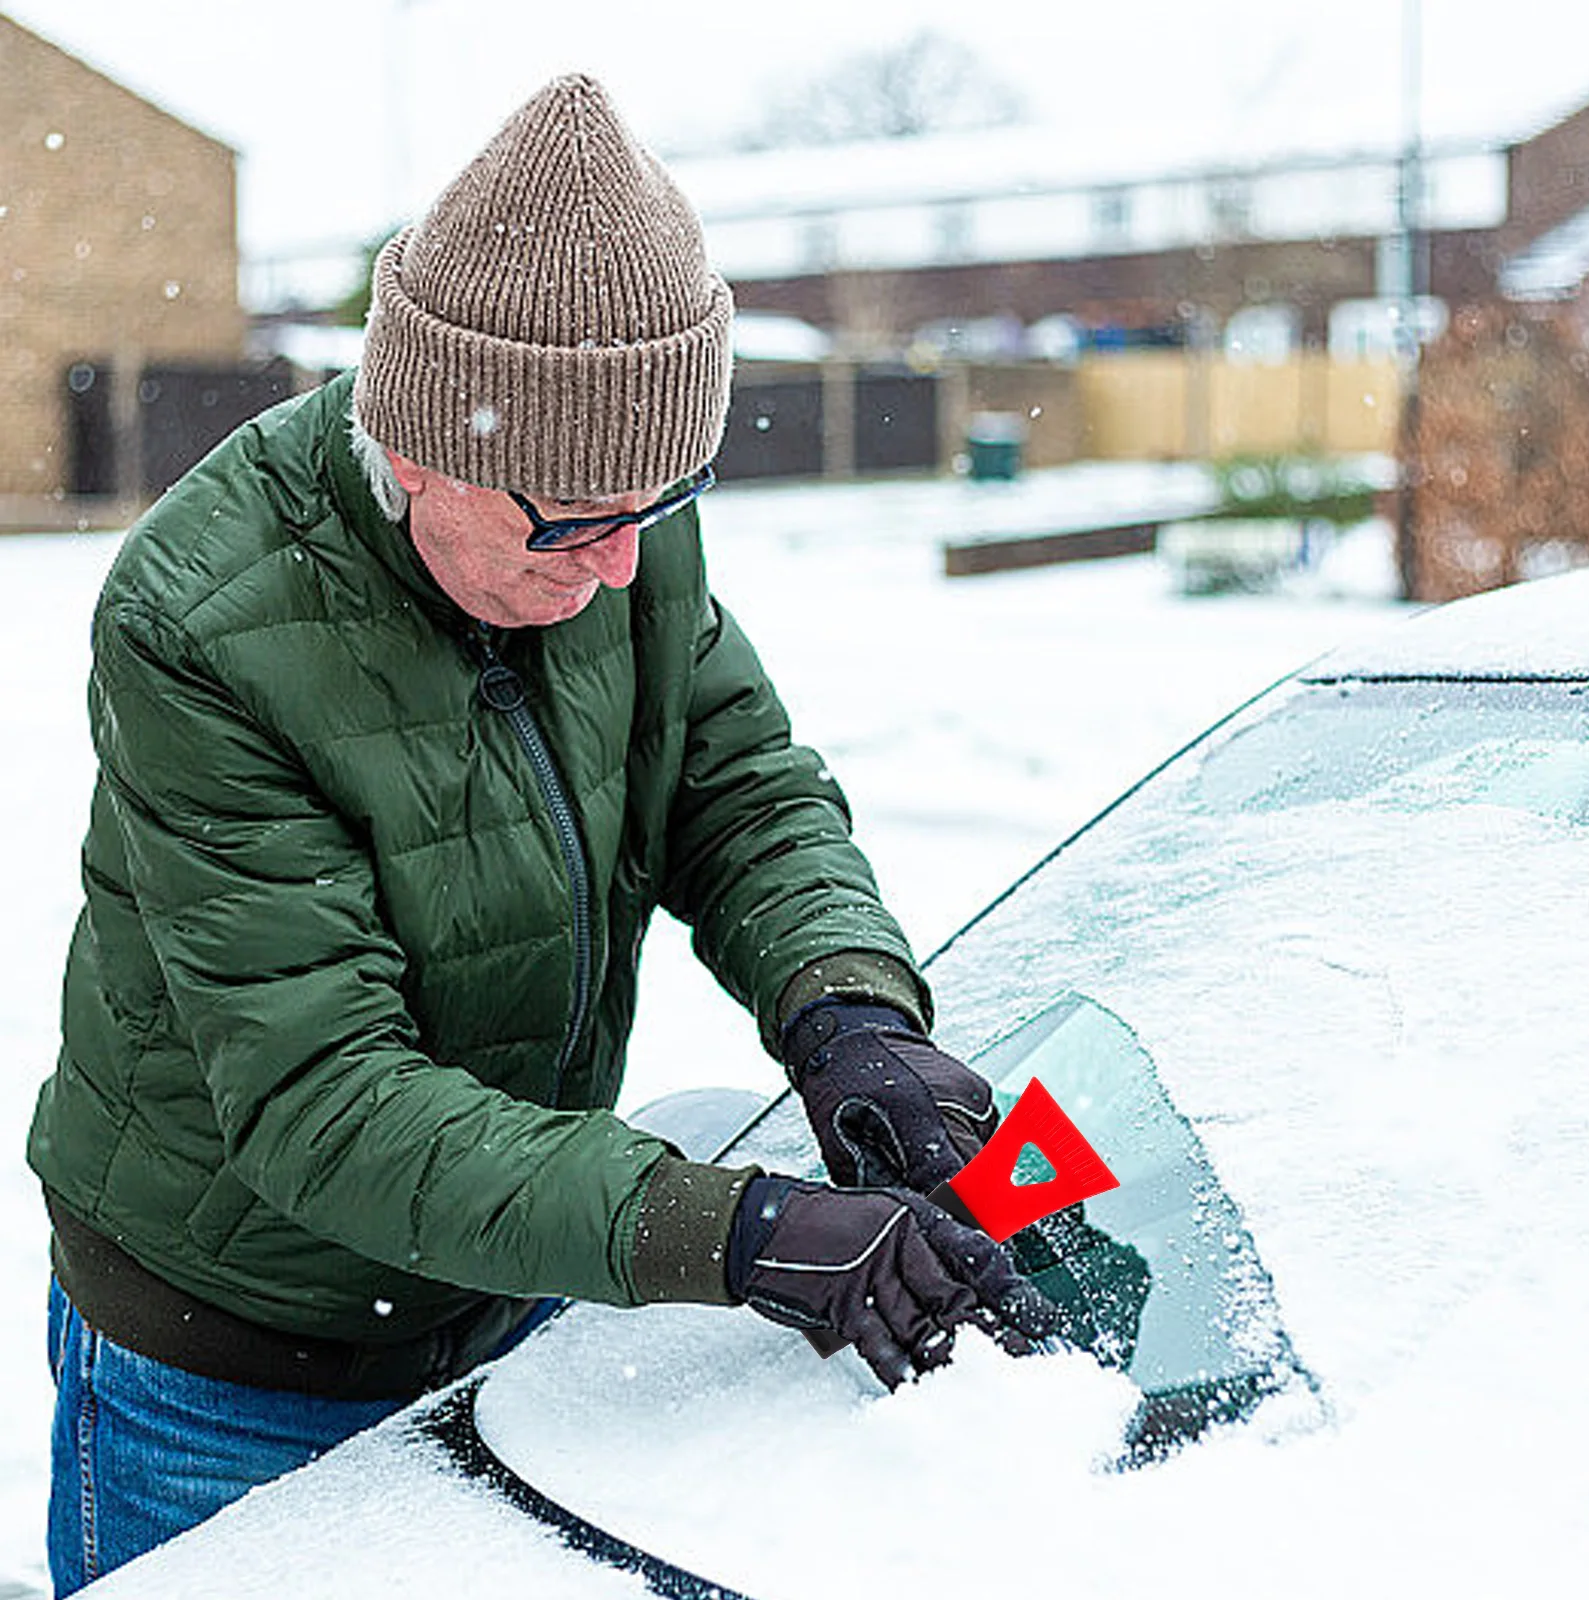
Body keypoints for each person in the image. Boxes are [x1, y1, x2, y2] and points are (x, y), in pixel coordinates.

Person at [27, 72, 1064, 1594]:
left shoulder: (615, 523)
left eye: (666, 498)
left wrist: (850, 1013)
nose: (627, 563)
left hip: (506, 1304)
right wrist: (738, 1229)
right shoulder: (204, 627)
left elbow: (736, 781)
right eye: (576, 520)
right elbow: (326, 1101)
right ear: (424, 441)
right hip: (235, 1364)